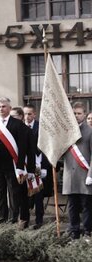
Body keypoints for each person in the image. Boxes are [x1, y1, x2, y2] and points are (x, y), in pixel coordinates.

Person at [0, 97, 32, 225]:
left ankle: (13, 220)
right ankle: (1, 220)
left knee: (14, 195)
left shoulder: (18, 124)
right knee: (0, 195)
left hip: (12, 166)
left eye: (4, 106)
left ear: (9, 108)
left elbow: (23, 147)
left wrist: (20, 166)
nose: (1, 109)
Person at [61, 102, 92, 239]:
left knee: (86, 206)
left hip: (85, 174)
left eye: (79, 113)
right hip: (70, 174)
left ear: (84, 115)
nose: (76, 116)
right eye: (74, 113)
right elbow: (61, 153)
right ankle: (74, 231)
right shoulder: (66, 131)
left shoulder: (90, 131)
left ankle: (87, 231)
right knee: (72, 205)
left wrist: (91, 174)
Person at [24, 104, 49, 228]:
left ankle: (39, 221)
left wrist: (44, 167)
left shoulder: (41, 128)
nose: (27, 116)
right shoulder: (20, 126)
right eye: (25, 114)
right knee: (25, 195)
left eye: (29, 114)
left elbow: (45, 148)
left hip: (38, 166)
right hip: (24, 166)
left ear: (34, 114)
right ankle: (25, 220)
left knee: (38, 194)